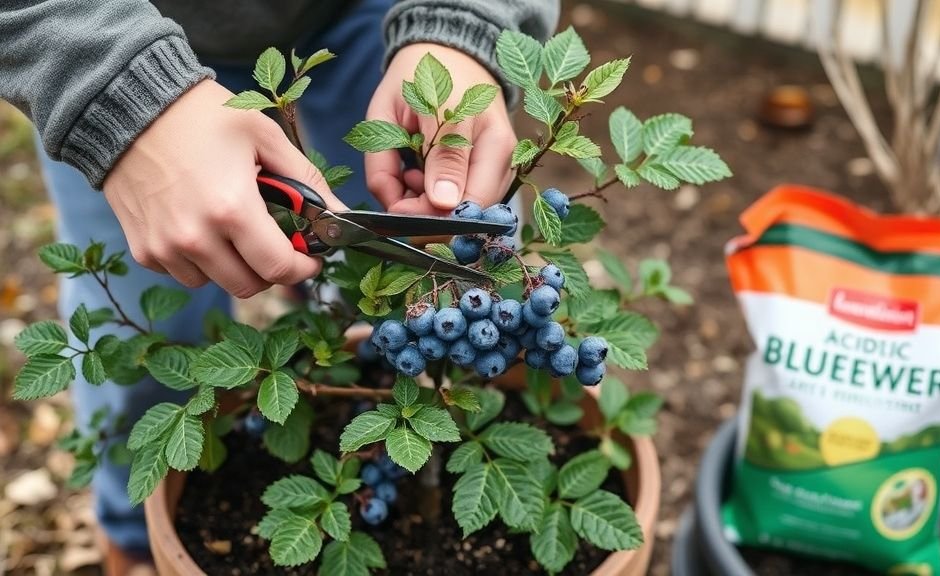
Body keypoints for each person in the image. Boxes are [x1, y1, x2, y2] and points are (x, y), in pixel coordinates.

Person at [0, 0, 558, 573]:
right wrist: (111, 91)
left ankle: (314, 296)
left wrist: (466, 24)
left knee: (462, 248)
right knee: (139, 365)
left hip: (375, 15)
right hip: (90, 29)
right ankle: (134, 538)